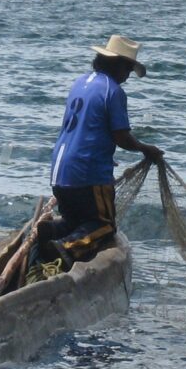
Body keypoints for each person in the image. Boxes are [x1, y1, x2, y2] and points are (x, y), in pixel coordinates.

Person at [36, 34, 163, 269]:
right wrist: (146, 149)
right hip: (87, 173)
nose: (127, 76)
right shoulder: (112, 91)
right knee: (105, 226)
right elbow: (121, 137)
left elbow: (87, 127)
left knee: (75, 221)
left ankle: (50, 230)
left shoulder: (80, 82)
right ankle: (65, 247)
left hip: (60, 171)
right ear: (117, 65)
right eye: (128, 69)